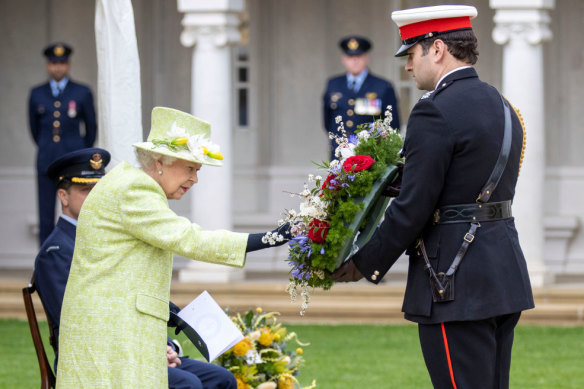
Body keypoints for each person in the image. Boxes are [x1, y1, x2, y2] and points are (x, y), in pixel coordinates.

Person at [332, 5, 534, 389]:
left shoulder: (433, 112)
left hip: (453, 282)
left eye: (411, 53)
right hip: (503, 273)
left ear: (437, 49)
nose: (408, 66)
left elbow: (412, 208)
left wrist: (363, 263)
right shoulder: (504, 106)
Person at [55, 107, 287, 388]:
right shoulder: (135, 189)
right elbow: (188, 238)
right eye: (190, 168)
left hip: (112, 323)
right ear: (161, 161)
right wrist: (269, 238)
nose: (195, 179)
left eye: (198, 170)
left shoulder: (130, 183)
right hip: (110, 328)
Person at [34, 148, 236, 389]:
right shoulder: (56, 251)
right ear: (63, 197)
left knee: (221, 379)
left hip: (137, 345)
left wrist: (167, 346)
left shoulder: (112, 237)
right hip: (97, 356)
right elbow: (79, 319)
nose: (97, 196)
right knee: (188, 384)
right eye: (86, 191)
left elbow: (132, 300)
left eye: (100, 188)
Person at [28, 42, 97, 245]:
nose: (57, 67)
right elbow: (34, 129)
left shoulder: (82, 92)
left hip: (73, 164)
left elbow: (91, 129)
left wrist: (79, 154)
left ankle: (77, 258)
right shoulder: (37, 93)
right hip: (46, 161)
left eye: (62, 63)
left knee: (78, 210)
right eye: (53, 63)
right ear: (48, 65)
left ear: (68, 65)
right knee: (46, 215)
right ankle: (46, 263)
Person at [323, 35, 400, 161]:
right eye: (350, 57)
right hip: (339, 156)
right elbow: (327, 122)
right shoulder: (333, 84)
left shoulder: (383, 86)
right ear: (343, 59)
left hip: (371, 157)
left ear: (366, 58)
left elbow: (393, 124)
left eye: (359, 56)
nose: (355, 60)